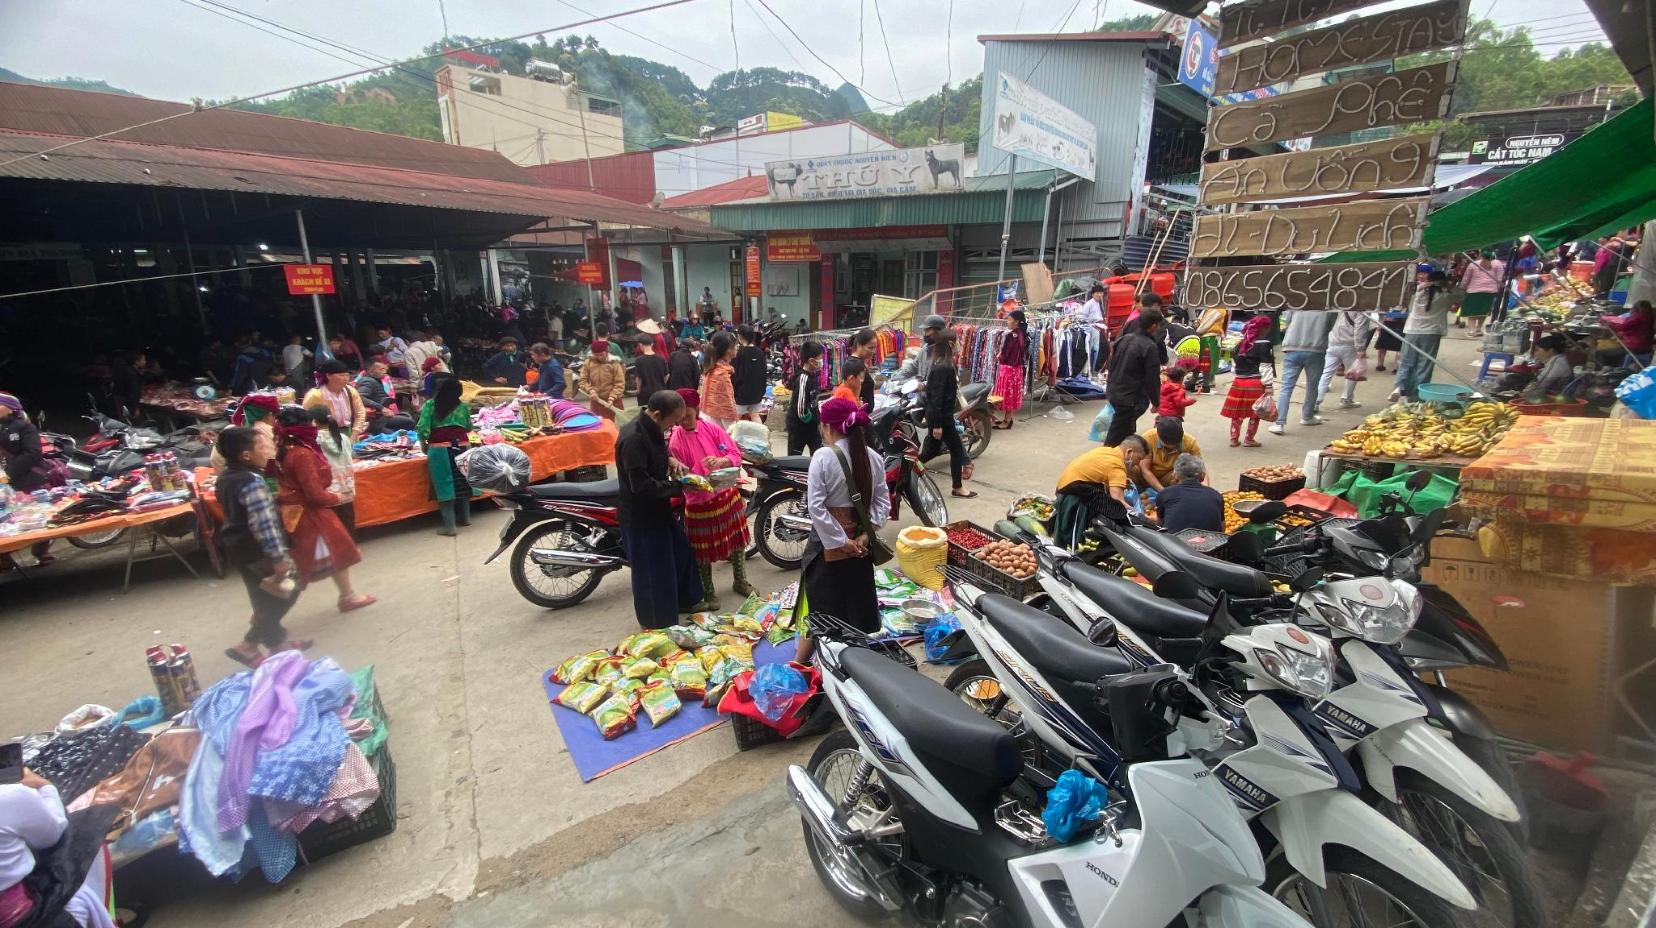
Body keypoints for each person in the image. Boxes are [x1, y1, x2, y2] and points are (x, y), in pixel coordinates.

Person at [799, 396, 890, 664]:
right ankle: (855, 659)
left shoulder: (823, 457)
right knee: (855, 602)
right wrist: (863, 536)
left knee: (824, 606)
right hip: (860, 548)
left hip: (828, 548)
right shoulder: (872, 457)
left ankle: (816, 662)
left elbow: (816, 507)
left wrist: (839, 542)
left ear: (828, 427)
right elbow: (883, 502)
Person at [214, 426, 302, 666]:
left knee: (261, 596)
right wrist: (278, 559)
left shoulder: (225, 477)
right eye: (262, 446)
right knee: (289, 589)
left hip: (235, 546)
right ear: (246, 455)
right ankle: (249, 644)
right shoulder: (252, 482)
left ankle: (277, 646)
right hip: (256, 548)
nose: (268, 450)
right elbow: (263, 524)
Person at [274, 406, 375, 612]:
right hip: (310, 515)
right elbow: (314, 493)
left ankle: (348, 595)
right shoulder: (302, 453)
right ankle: (266, 616)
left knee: (333, 556)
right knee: (298, 567)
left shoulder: (284, 449)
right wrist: (337, 496)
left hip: (295, 512)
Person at [617, 390, 703, 628]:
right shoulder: (634, 438)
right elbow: (641, 486)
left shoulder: (652, 429)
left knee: (681, 552)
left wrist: (671, 461)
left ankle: (685, 601)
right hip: (641, 516)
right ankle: (657, 625)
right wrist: (679, 487)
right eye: (673, 422)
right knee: (652, 574)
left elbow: (657, 452)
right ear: (656, 414)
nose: (674, 427)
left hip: (659, 509)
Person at [0, 767, 117, 928]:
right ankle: (102, 911)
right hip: (26, 918)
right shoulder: (10, 795)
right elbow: (52, 834)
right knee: (87, 831)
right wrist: (45, 787)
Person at [667, 388, 752, 606]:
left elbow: (734, 454)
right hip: (699, 504)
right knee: (702, 551)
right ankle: (708, 590)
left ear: (696, 410)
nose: (685, 421)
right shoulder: (676, 441)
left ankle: (740, 580)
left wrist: (722, 461)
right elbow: (681, 478)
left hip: (727, 496)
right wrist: (696, 471)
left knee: (737, 542)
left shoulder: (711, 428)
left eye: (689, 415)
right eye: (680, 417)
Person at [1052, 436, 1148, 548]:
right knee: (1118, 511)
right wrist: (1140, 517)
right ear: (1129, 452)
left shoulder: (1106, 451)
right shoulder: (1118, 466)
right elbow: (1118, 501)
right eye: (1139, 458)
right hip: (1074, 496)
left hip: (1064, 487)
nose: (1137, 464)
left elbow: (1097, 473)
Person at [0, 392, 57, 568]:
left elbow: (33, 453)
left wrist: (8, 472)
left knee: (36, 516)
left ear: (9, 408)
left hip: (28, 480)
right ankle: (4, 559)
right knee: (5, 520)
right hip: (4, 483)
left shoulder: (25, 427)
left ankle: (41, 551)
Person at [418, 375, 479, 536]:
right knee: (463, 481)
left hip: (440, 449)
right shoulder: (463, 406)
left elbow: (422, 428)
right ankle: (465, 518)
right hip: (463, 446)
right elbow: (467, 427)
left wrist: (424, 445)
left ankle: (449, 526)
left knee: (444, 484)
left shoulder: (430, 405)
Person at [919, 330, 975, 498]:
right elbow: (937, 398)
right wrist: (937, 425)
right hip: (941, 418)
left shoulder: (943, 363)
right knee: (957, 450)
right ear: (950, 344)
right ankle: (957, 487)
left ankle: (908, 470)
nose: (959, 345)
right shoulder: (944, 366)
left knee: (932, 451)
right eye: (956, 342)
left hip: (941, 416)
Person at [1103, 308, 1164, 446]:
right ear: (1153, 325)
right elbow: (1152, 379)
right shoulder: (1149, 346)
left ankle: (1127, 456)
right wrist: (1156, 402)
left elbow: (1111, 366)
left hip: (1114, 392)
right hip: (1130, 398)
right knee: (1115, 437)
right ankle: (1105, 460)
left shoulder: (1123, 339)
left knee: (1127, 429)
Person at [1392, 269, 1454, 402]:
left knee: (1406, 362)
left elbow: (1408, 294)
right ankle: (1416, 396)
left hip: (1412, 331)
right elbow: (1461, 294)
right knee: (1424, 364)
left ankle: (1400, 386)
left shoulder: (1417, 295)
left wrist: (1422, 285)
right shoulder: (1446, 296)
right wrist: (1447, 286)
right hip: (1432, 333)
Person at [1270, 308, 1331, 435]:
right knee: (1312, 386)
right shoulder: (1328, 307)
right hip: (1316, 348)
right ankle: (1307, 417)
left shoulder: (1298, 303)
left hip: (1293, 347)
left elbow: (1287, 322)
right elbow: (1329, 326)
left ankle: (1279, 423)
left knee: (1286, 387)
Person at [1222, 315, 1274, 448]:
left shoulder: (1240, 344)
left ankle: (1234, 439)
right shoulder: (1263, 343)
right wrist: (1268, 385)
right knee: (1255, 413)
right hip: (1255, 383)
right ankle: (1249, 439)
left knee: (1237, 413)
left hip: (1239, 382)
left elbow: (1234, 364)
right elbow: (1265, 366)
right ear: (1264, 328)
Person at [309, 405, 358, 537]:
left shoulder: (315, 440)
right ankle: (351, 545)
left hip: (329, 487)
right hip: (346, 485)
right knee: (348, 518)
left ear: (314, 421)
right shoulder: (343, 438)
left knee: (333, 522)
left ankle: (338, 548)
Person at [1318, 311, 1376, 412]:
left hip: (1333, 341)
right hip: (1349, 343)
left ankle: (1316, 400)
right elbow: (1360, 329)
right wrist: (1361, 348)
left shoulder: (1338, 303)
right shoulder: (1362, 309)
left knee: (1326, 373)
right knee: (1353, 372)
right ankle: (1346, 399)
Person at [1155, 454, 1225, 533]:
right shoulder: (1215, 495)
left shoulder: (1165, 494)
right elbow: (1222, 527)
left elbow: (1159, 524)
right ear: (1203, 476)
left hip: (1174, 543)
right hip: (1211, 543)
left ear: (1175, 476)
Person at [302, 359, 369, 441]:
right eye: (341, 375)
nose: (346, 379)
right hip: (326, 436)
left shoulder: (351, 391)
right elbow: (307, 419)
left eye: (347, 375)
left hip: (350, 432)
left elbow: (360, 413)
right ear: (328, 376)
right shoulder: (315, 395)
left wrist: (353, 436)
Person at [1138, 416, 1203, 492]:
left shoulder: (1190, 442)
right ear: (1159, 436)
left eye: (1175, 446)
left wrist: (1206, 490)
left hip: (1170, 478)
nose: (1171, 449)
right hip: (1145, 476)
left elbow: (1201, 470)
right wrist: (1163, 492)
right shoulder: (1148, 438)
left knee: (1189, 472)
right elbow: (1145, 470)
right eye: (1167, 447)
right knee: (1130, 467)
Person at [993, 310, 1030, 430]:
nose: (1007, 321)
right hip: (1017, 369)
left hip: (1008, 369)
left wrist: (998, 357)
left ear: (1017, 321)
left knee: (1005, 395)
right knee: (1011, 395)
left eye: (1009, 319)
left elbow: (1004, 354)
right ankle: (1007, 419)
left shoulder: (1011, 335)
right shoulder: (1023, 334)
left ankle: (1006, 421)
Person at [787, 340, 824, 455]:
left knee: (818, 453)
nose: (822, 361)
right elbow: (801, 411)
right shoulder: (803, 379)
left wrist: (817, 421)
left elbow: (813, 401)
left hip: (811, 426)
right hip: (799, 427)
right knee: (794, 459)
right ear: (811, 361)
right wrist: (812, 420)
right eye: (820, 358)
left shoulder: (813, 375)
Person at [1459, 251, 1505, 338]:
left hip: (1473, 291)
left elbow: (1466, 278)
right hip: (1490, 292)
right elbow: (1500, 279)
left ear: (1481, 256)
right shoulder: (1498, 264)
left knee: (1472, 312)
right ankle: (1479, 329)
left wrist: (1462, 287)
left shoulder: (1473, 264)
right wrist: (1496, 288)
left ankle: (1471, 330)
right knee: (1483, 311)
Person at [699, 330, 739, 428]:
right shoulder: (721, 374)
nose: (738, 347)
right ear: (728, 350)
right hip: (716, 426)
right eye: (736, 345)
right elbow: (727, 409)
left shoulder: (713, 368)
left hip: (708, 421)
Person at [577, 339, 626, 420]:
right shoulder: (589, 362)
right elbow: (582, 380)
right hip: (596, 400)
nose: (599, 357)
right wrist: (590, 391)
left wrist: (612, 398)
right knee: (599, 426)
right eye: (596, 355)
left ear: (606, 352)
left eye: (601, 354)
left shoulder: (614, 363)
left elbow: (620, 383)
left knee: (616, 426)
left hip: (613, 402)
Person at [1600, 300, 1655, 367]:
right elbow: (1637, 331)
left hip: (1635, 348)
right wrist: (1623, 334)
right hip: (1646, 348)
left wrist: (1607, 323)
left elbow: (1623, 326)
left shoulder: (1637, 317)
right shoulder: (1650, 317)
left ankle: (1607, 371)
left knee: (1601, 354)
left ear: (1636, 308)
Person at [731, 325, 768, 422]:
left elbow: (734, 374)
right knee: (755, 416)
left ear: (740, 337)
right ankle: (760, 436)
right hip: (756, 393)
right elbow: (764, 373)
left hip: (741, 394)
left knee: (737, 418)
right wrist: (761, 391)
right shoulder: (760, 352)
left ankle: (732, 437)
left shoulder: (738, 353)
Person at [895, 314, 947, 382]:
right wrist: (899, 375)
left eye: (928, 331)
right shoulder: (925, 348)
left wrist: (923, 385)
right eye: (924, 330)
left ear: (938, 332)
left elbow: (941, 380)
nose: (925, 334)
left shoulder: (945, 352)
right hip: (922, 389)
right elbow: (914, 366)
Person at [1526, 333, 1575, 400]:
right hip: (1556, 396)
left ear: (1550, 351)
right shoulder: (1560, 359)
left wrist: (1521, 395)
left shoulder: (1556, 364)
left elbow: (1540, 387)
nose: (1535, 353)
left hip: (1553, 399)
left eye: (1537, 350)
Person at [110, 350, 146, 418]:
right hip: (124, 398)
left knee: (122, 417)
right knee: (125, 419)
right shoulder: (132, 374)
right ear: (136, 362)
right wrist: (136, 408)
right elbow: (133, 392)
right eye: (143, 360)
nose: (145, 362)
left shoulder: (127, 369)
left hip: (119, 395)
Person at [849, 327, 879, 409]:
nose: (873, 351)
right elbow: (850, 394)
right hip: (858, 416)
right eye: (870, 348)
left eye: (874, 347)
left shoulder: (860, 362)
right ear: (859, 345)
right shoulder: (854, 365)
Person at [633, 334, 670, 400]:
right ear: (652, 344)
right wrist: (661, 384)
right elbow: (667, 375)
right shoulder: (661, 358)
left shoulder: (639, 360)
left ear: (640, 345)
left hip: (645, 393)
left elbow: (639, 378)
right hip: (660, 392)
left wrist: (638, 390)